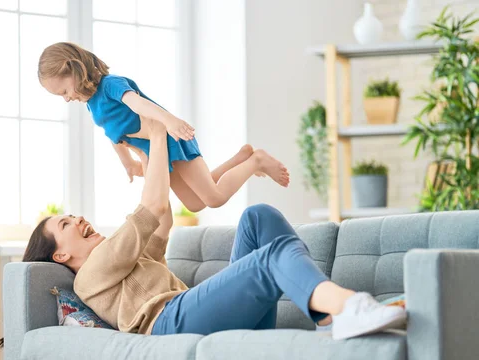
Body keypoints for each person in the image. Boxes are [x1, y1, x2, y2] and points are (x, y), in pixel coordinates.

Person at [23, 117, 407, 340]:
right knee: (270, 258)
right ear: (60, 254)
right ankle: (347, 307)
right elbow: (152, 206)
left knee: (258, 216)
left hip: (199, 317)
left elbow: (164, 216)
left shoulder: (122, 262)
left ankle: (327, 317)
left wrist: (149, 156)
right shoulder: (92, 273)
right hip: (170, 325)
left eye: (75, 215)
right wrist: (156, 134)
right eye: (66, 223)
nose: (79, 220)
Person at [37, 41, 290, 213]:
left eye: (64, 91)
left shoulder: (110, 84)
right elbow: (113, 135)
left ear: (73, 69)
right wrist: (127, 163)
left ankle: (256, 161)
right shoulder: (91, 104)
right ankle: (241, 157)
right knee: (194, 203)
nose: (67, 98)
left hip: (170, 140)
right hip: (154, 151)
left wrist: (170, 121)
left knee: (213, 198)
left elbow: (139, 105)